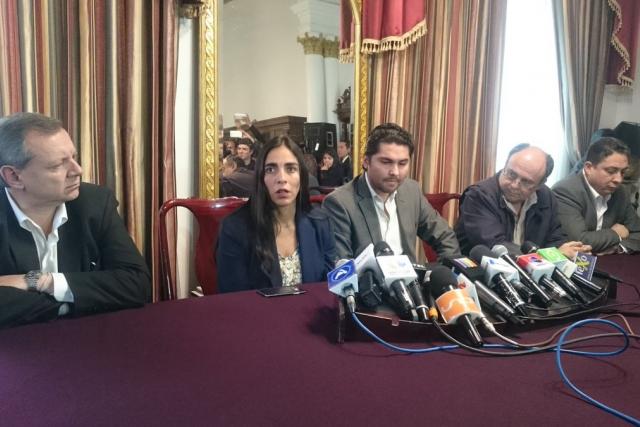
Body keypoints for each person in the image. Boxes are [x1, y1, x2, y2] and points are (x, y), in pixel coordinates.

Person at [0, 112, 149, 328]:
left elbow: (136, 284)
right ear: (13, 176)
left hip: (86, 336)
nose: (77, 170)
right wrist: (77, 299)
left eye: (73, 157)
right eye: (57, 165)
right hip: (16, 344)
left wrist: (40, 282)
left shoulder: (95, 203)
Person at [323, 123, 460, 262]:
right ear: (366, 162)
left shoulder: (411, 191)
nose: (395, 172)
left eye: (402, 163)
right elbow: (341, 267)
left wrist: (443, 271)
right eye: (386, 162)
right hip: (366, 276)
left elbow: (445, 237)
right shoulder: (339, 203)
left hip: (410, 275)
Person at [216, 135, 337, 293]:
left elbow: (329, 291)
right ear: (261, 178)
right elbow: (233, 299)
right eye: (271, 169)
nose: (281, 178)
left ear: (302, 177)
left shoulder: (321, 223)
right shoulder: (235, 228)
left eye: (291, 169)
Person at [455, 143, 590, 257]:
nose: (514, 185)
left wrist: (569, 251)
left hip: (530, 273)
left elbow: (555, 239)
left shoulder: (546, 197)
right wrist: (551, 256)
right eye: (511, 174)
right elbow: (497, 248)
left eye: (526, 182)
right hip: (481, 272)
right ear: (505, 164)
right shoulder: (479, 196)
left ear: (540, 184)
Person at [553, 137, 640, 254]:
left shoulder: (621, 192)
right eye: (611, 171)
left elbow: (637, 232)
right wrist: (616, 233)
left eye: (623, 172)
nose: (618, 179)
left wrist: (617, 248)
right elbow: (579, 241)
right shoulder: (566, 190)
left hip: (610, 260)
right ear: (589, 168)